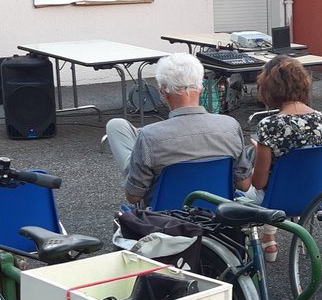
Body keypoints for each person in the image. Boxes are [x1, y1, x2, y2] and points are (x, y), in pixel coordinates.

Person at [105, 53, 252, 206]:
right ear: (201, 88)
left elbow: (133, 196)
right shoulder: (230, 126)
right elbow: (244, 184)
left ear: (163, 91)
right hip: (216, 215)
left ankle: (138, 158)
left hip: (164, 218)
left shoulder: (150, 136)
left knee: (118, 127)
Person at [244, 55, 322, 260]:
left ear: (269, 88)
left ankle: (250, 253)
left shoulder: (270, 125)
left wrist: (259, 152)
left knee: (237, 191)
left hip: (279, 200)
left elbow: (259, 183)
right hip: (320, 198)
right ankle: (269, 238)